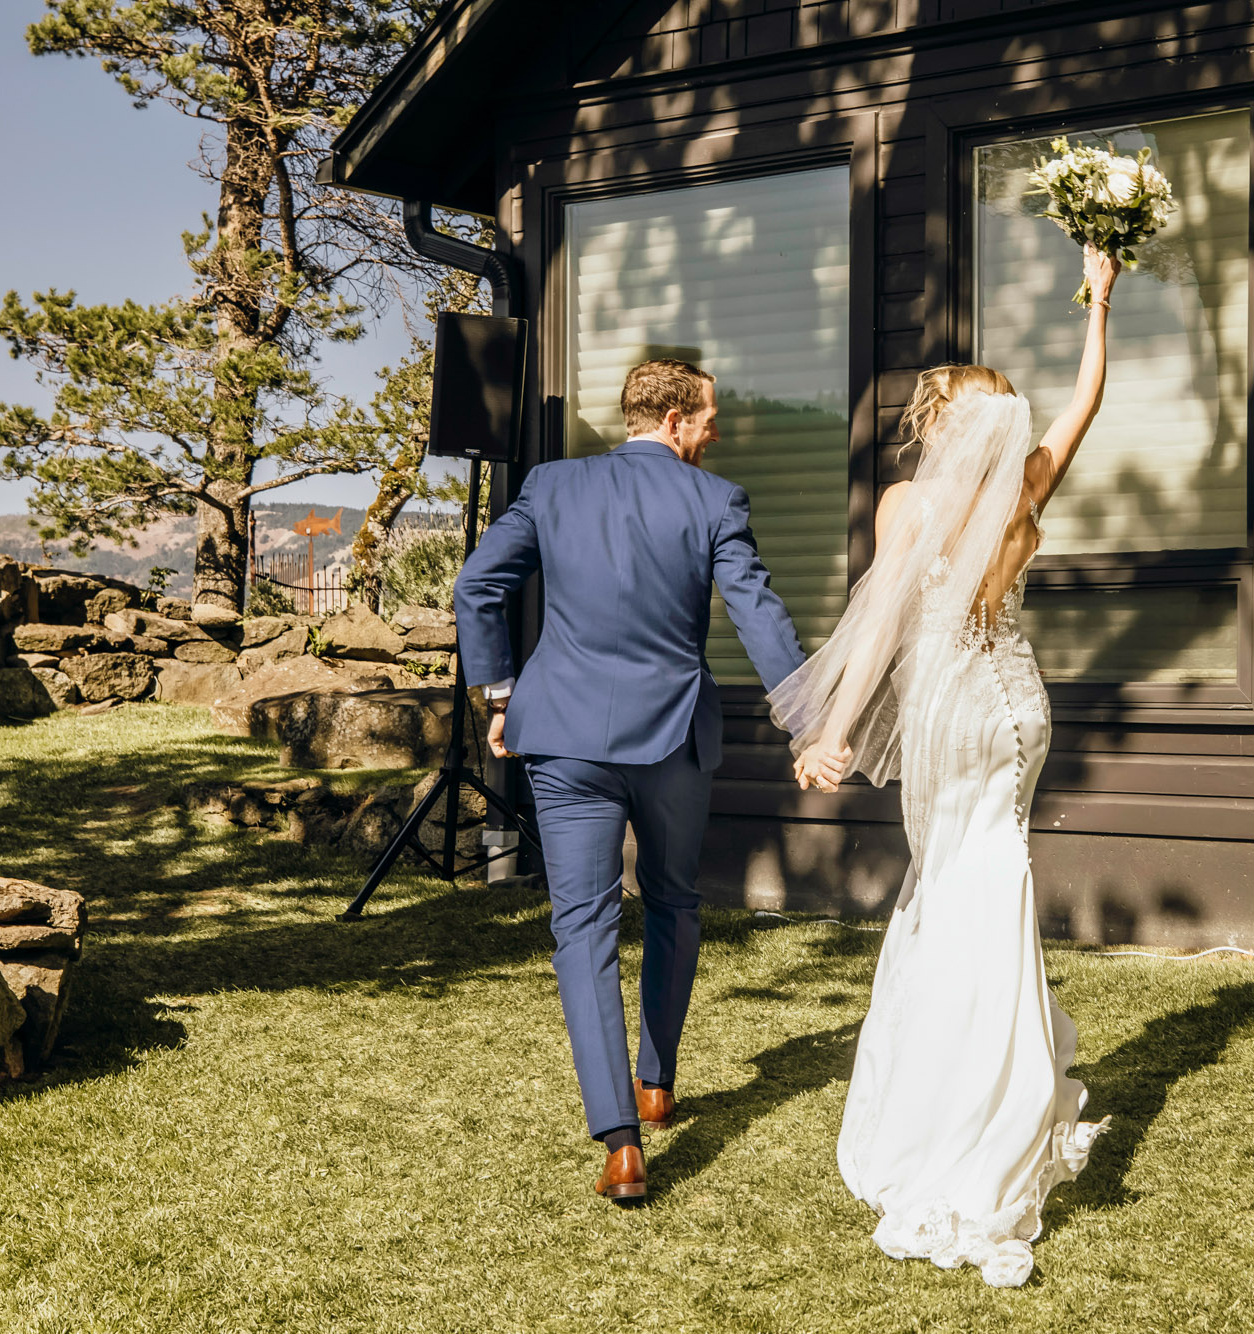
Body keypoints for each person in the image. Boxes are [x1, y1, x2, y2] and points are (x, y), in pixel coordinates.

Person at [772, 245, 1122, 1286]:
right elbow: (1084, 402)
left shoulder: (907, 507)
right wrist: (1098, 302)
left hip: (946, 709)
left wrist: (829, 730)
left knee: (944, 886)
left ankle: (964, 1098)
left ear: (939, 424)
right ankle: (1001, 1072)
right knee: (992, 875)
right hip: (1018, 706)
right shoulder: (1022, 485)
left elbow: (875, 631)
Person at [454, 358, 806, 1204]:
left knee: (583, 929)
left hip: (565, 739)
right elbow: (760, 615)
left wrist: (500, 694)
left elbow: (477, 585)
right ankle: (656, 1083)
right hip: (674, 741)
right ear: (677, 420)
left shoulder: (552, 485)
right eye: (711, 415)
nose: (717, 430)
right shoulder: (716, 500)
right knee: (675, 901)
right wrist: (811, 717)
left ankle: (620, 1143)